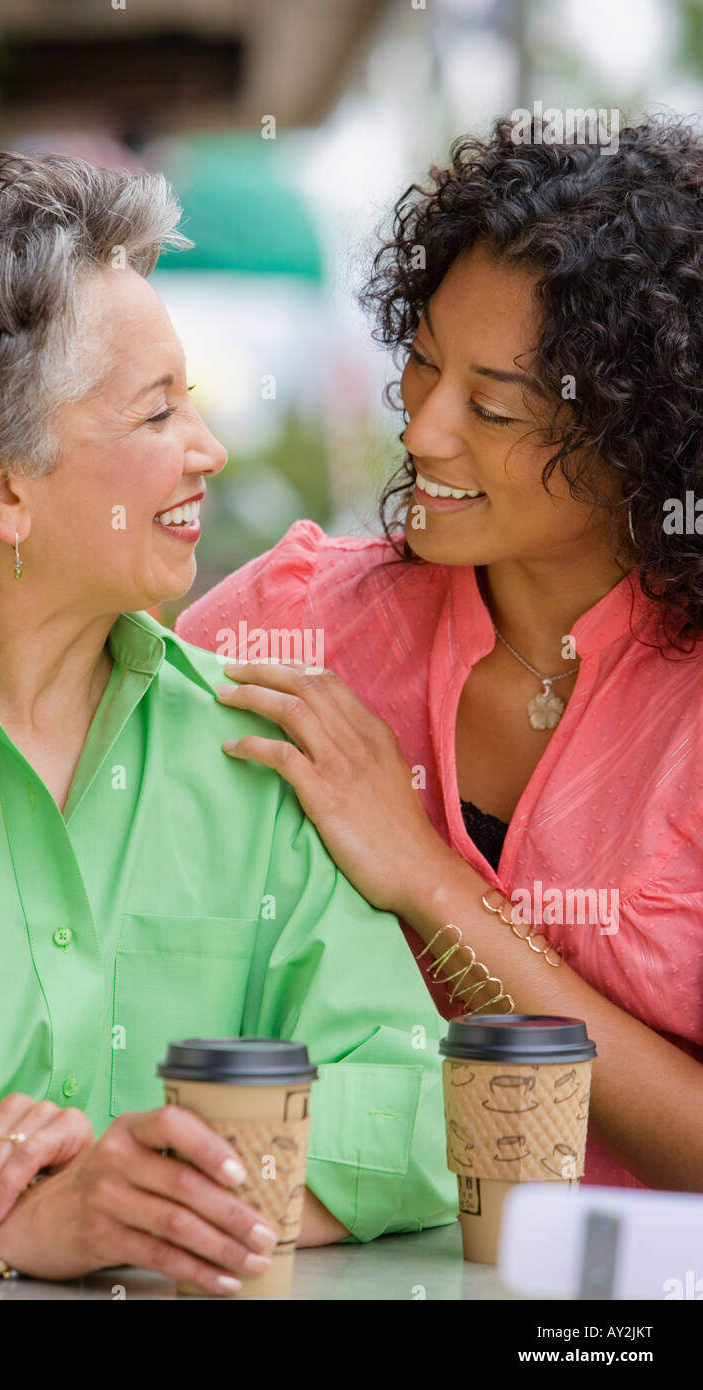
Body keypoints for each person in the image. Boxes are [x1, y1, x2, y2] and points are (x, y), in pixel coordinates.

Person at [0, 152, 458, 1300]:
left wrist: (141, 1191)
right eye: (157, 409)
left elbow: (424, 1102)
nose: (208, 450)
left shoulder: (249, 748)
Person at [176, 113, 703, 1194]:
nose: (420, 431)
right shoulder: (286, 623)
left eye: (492, 406)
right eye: (420, 366)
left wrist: (421, 874)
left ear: (642, 434)